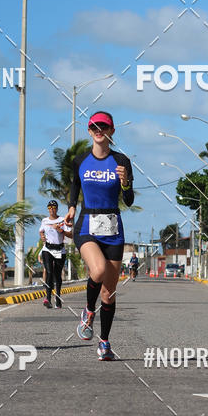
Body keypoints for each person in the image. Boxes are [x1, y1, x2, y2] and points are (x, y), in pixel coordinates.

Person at [66, 111, 134, 361]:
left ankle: (104, 342)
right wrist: (71, 207)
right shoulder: (81, 160)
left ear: (111, 131)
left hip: (113, 229)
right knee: (98, 270)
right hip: (87, 226)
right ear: (89, 131)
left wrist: (125, 184)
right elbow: (75, 184)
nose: (98, 130)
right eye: (94, 127)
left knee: (109, 293)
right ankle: (87, 311)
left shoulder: (121, 161)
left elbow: (129, 199)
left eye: (103, 127)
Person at [39, 200, 72, 309]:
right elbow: (41, 231)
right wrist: (42, 236)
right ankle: (48, 299)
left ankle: (58, 298)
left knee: (57, 275)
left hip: (59, 250)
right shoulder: (45, 220)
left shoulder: (62, 220)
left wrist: (60, 230)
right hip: (47, 249)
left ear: (57, 209)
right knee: (49, 272)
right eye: (49, 207)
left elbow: (70, 235)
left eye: (53, 207)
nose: (51, 209)